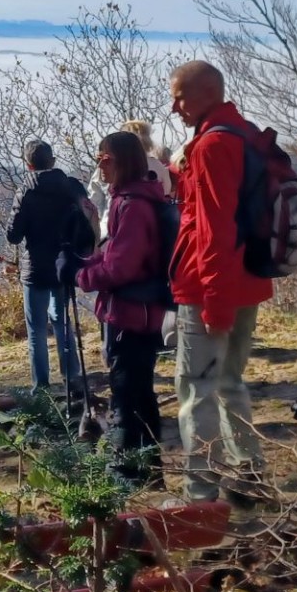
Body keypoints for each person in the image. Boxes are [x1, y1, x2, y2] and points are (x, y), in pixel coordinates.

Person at [168, 60, 273, 503]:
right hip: (247, 279)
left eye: (181, 96)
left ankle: (201, 494)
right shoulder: (243, 133)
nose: (175, 107)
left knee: (196, 391)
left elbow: (213, 229)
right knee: (230, 383)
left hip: (211, 287)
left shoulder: (212, 147)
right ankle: (250, 476)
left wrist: (213, 299)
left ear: (208, 92)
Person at [76, 133, 169, 485]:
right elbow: (113, 254)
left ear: (123, 160)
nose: (100, 164)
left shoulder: (132, 205)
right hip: (139, 313)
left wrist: (79, 274)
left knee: (127, 395)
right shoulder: (130, 200)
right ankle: (148, 470)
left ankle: (129, 474)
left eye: (106, 157)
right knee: (140, 394)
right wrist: (84, 261)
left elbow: (120, 268)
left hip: (132, 315)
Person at [6, 139, 93, 397]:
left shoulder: (26, 191)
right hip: (64, 264)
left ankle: (41, 387)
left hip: (35, 268)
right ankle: (73, 379)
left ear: (28, 165)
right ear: (53, 161)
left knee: (37, 330)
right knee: (62, 322)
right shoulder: (71, 187)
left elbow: (13, 235)